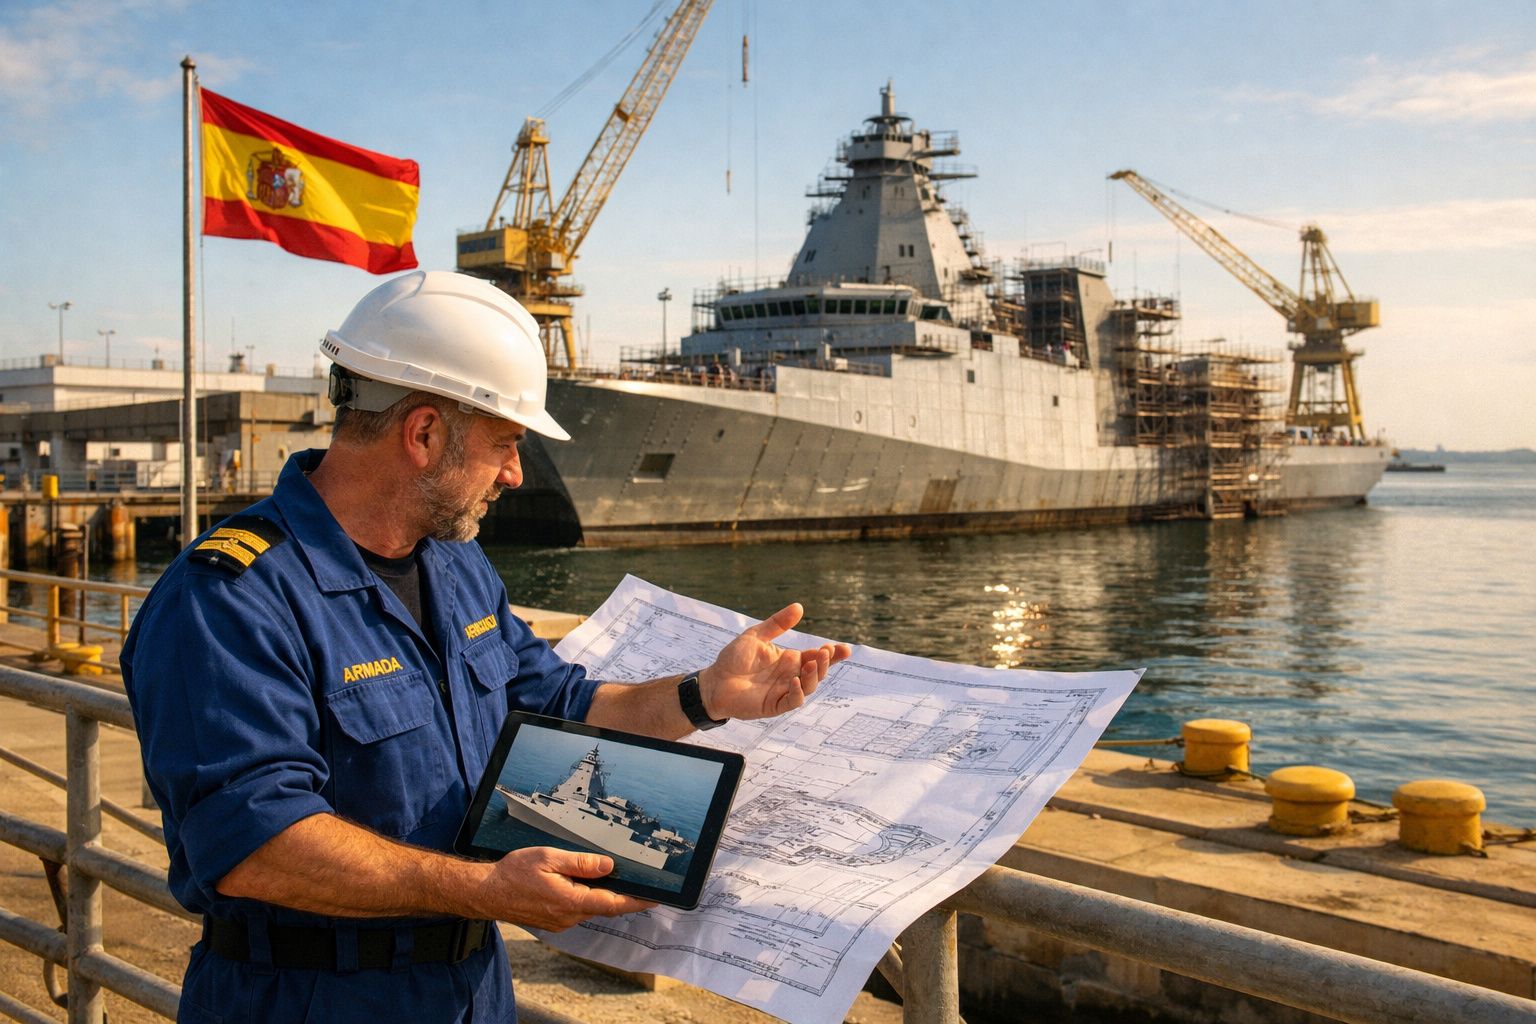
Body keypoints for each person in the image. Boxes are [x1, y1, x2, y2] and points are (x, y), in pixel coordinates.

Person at [122, 271, 850, 1024]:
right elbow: (254, 843)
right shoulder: (229, 597)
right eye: (505, 443)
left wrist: (704, 696)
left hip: (469, 992)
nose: (516, 473)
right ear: (425, 433)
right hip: (307, 999)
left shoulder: (455, 564)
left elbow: (563, 707)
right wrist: (482, 890)